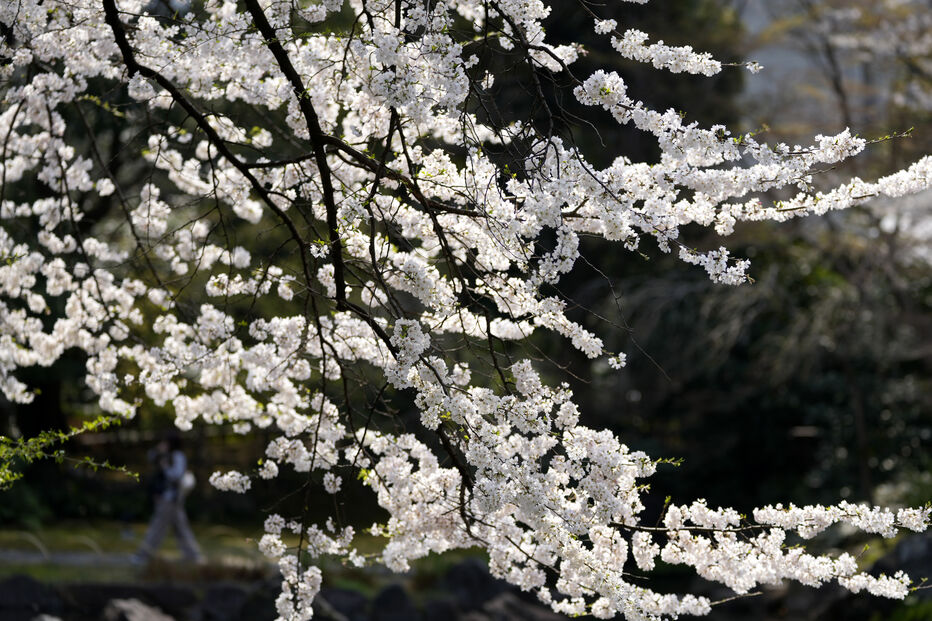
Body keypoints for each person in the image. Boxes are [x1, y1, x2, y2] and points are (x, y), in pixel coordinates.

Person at [133, 433, 204, 564]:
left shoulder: (177, 456)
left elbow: (176, 475)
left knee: (157, 527)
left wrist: (165, 466)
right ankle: (193, 556)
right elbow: (150, 456)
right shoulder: (163, 456)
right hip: (168, 499)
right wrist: (158, 452)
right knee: (181, 529)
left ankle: (143, 555)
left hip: (170, 499)